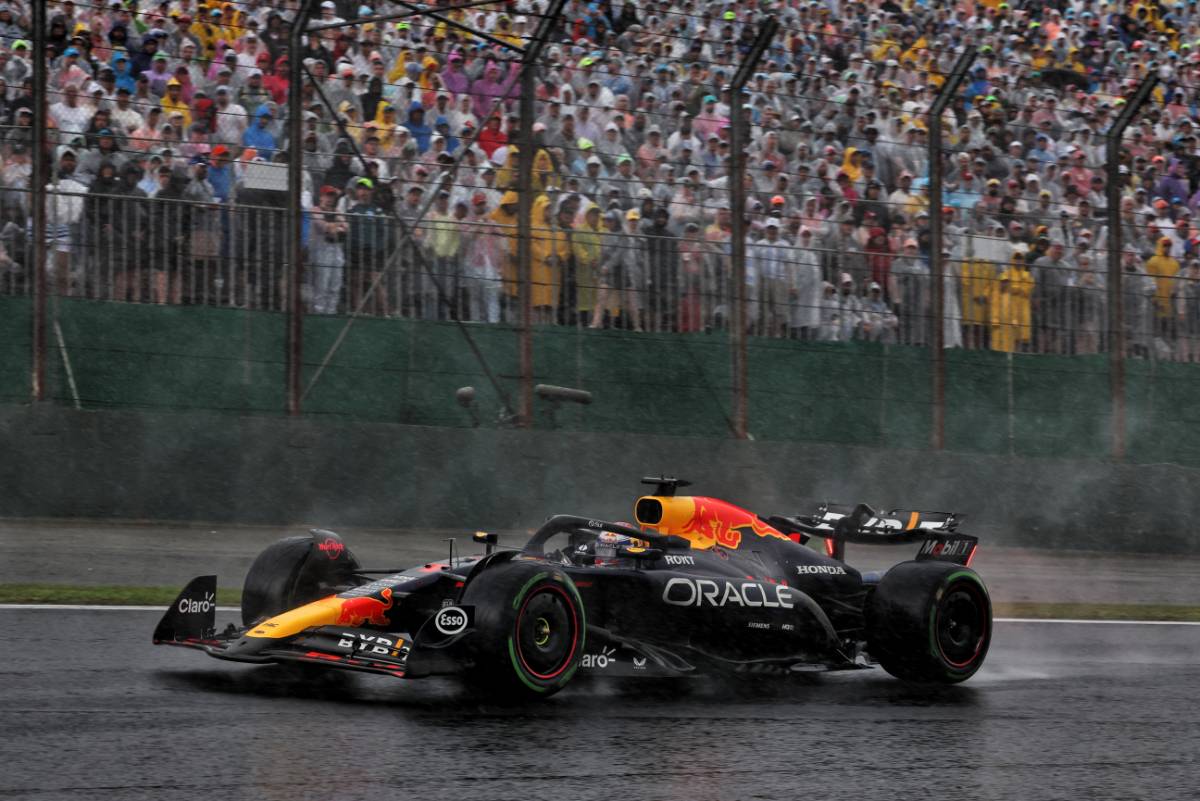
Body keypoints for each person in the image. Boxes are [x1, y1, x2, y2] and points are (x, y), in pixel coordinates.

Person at [309, 186, 347, 315]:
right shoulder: (316, 210)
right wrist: (336, 227)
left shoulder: (337, 211)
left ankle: (331, 313)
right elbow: (323, 226)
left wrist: (334, 227)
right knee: (322, 285)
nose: (329, 199)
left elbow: (346, 227)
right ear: (321, 196)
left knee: (335, 285)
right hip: (321, 251)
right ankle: (319, 314)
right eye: (327, 195)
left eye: (332, 196)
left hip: (336, 250)